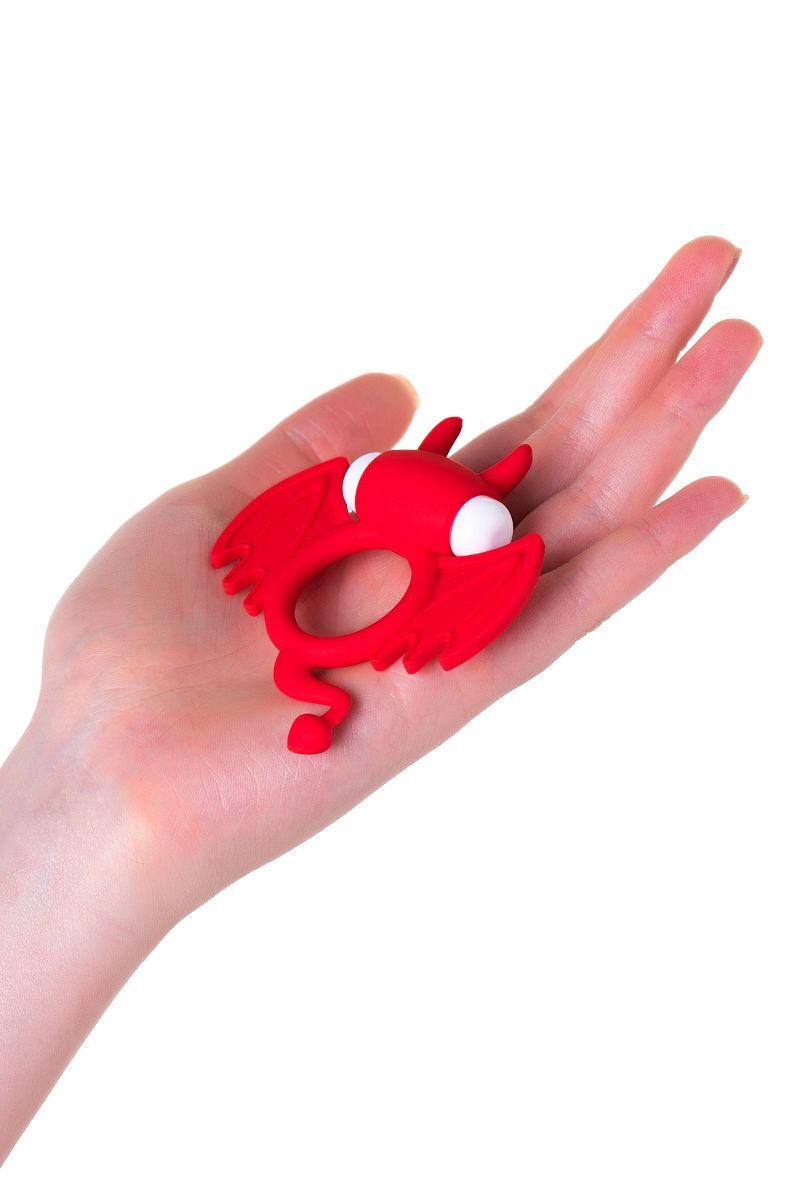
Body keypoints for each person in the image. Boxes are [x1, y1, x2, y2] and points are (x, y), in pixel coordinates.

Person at [0, 236, 760, 1159]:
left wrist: (84, 817)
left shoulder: (451, 537)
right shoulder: (348, 515)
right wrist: (90, 806)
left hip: (425, 542)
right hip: (377, 527)